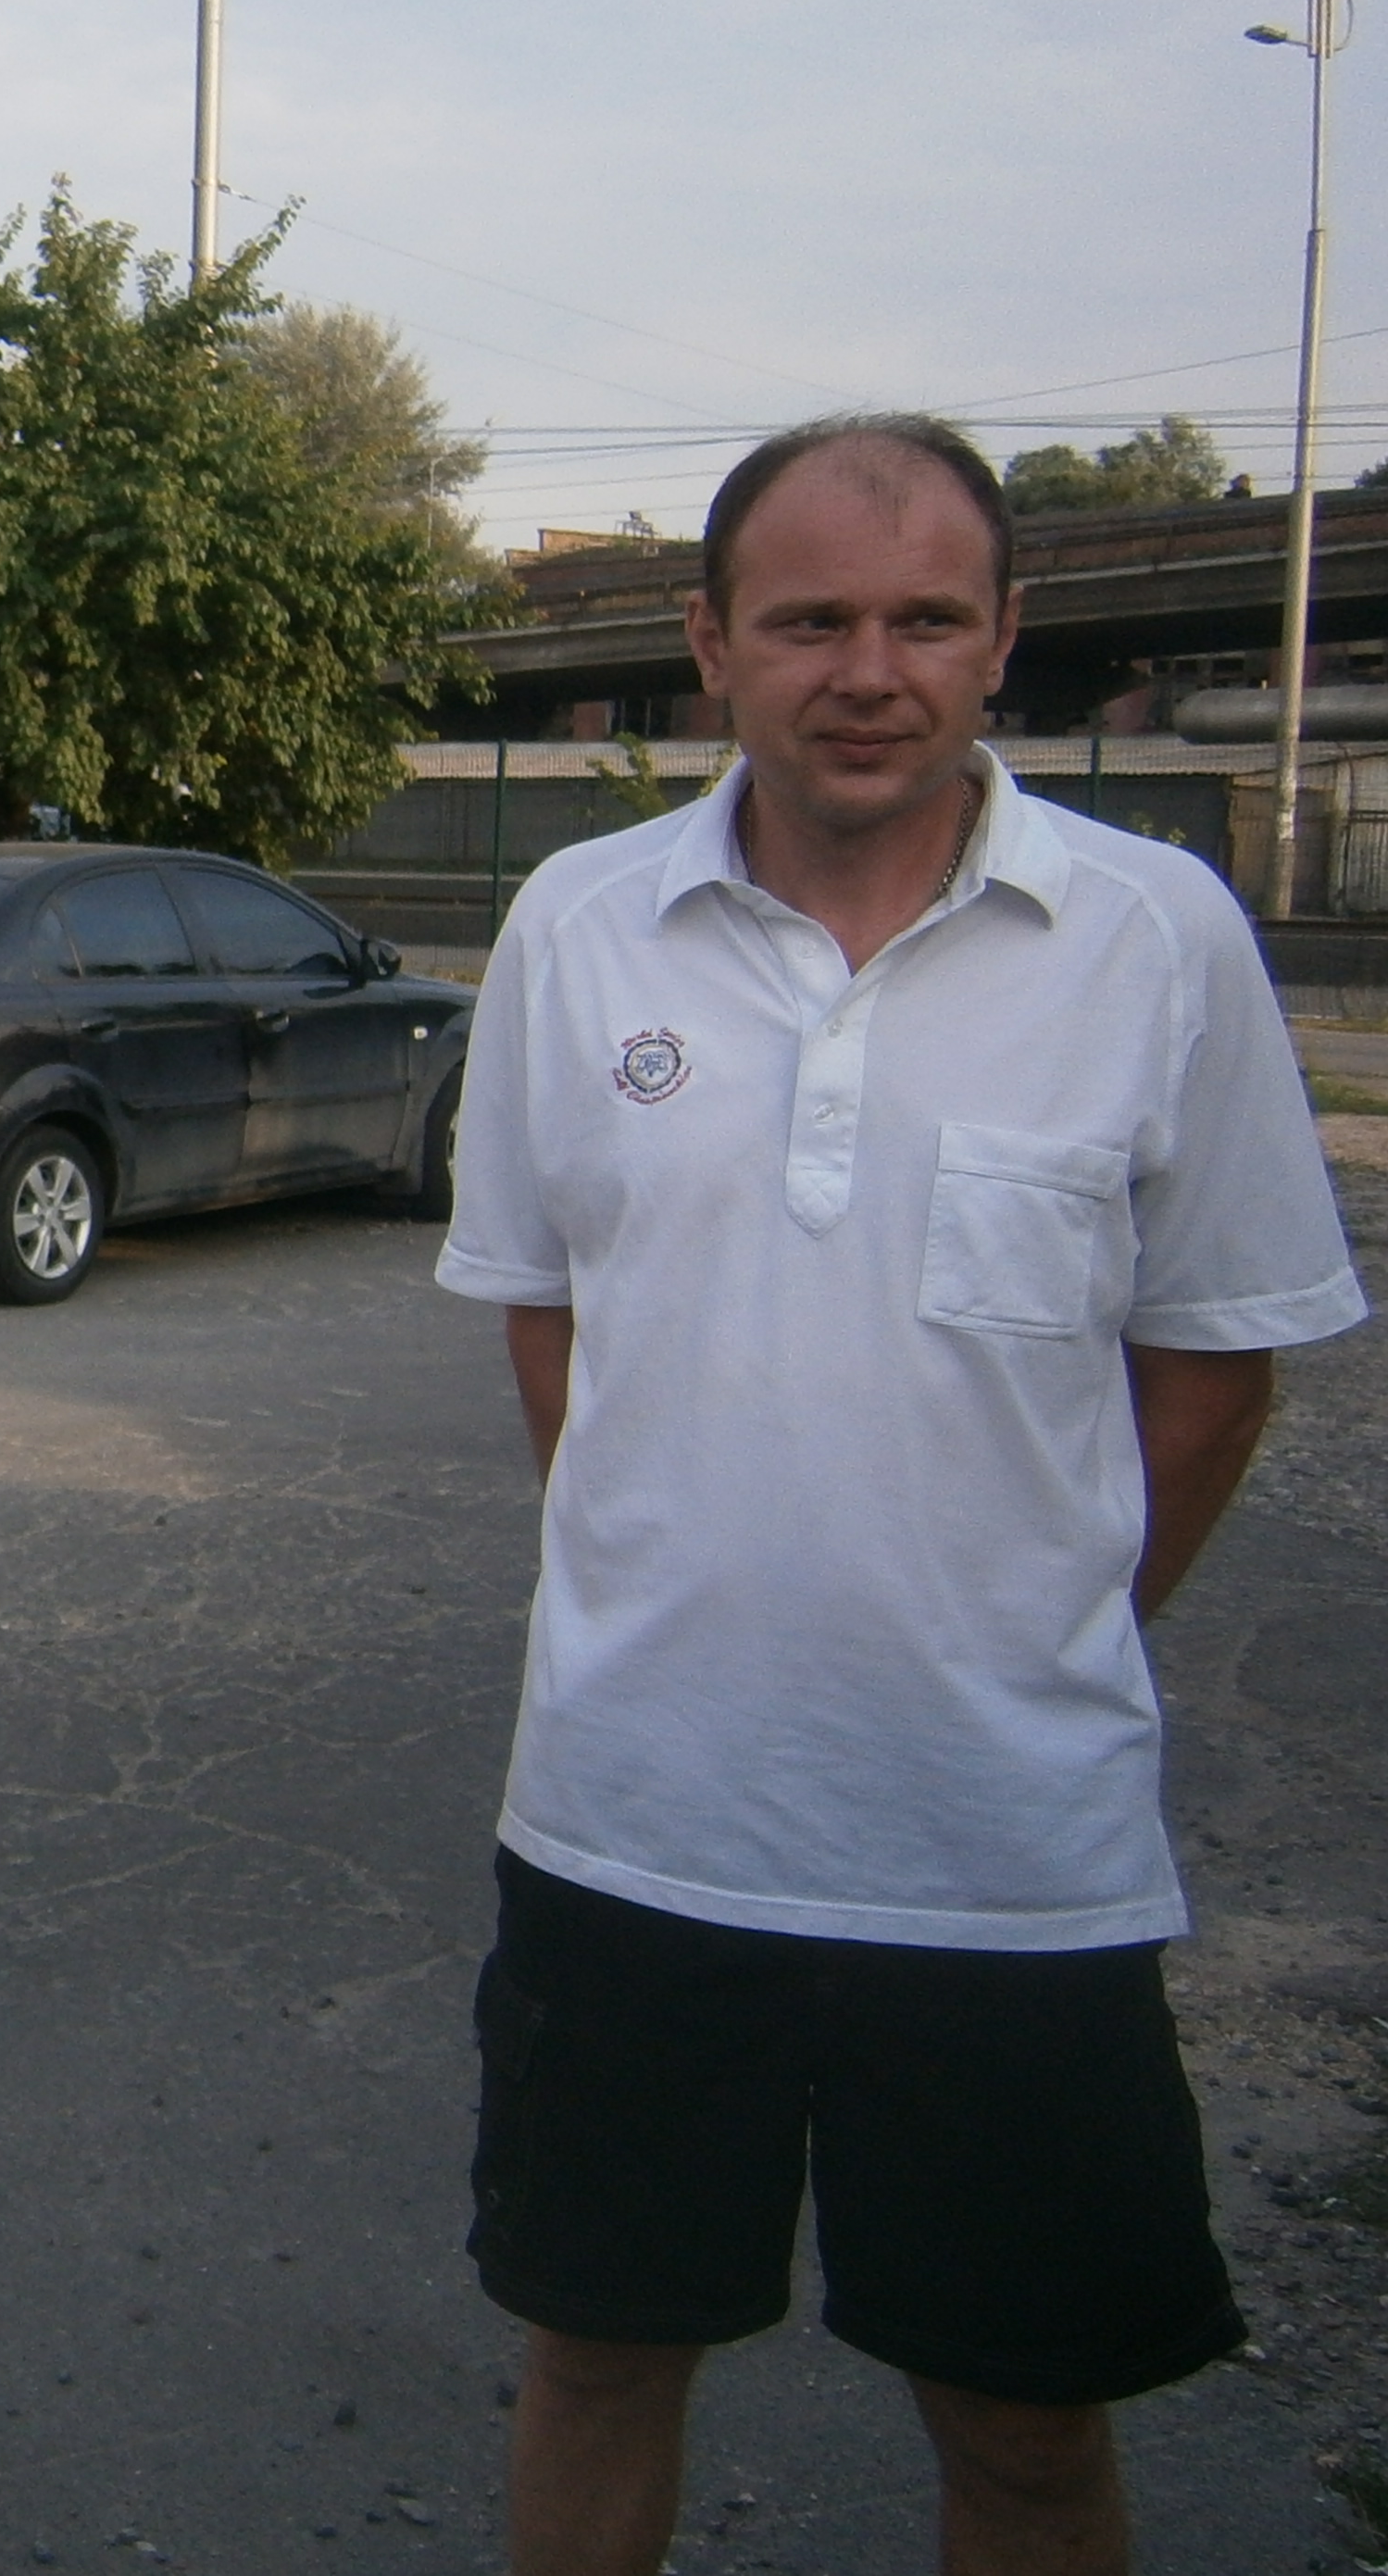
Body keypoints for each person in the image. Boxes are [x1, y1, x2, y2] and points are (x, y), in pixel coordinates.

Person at [437, 415, 1366, 2576]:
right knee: (593, 2366)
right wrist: (678, 1573)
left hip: (1006, 1863)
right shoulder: (576, 928)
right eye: (808, 622)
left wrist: (1024, 1628)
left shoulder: (1151, 937)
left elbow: (1210, 1373)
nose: (866, 672)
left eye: (923, 619)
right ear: (707, 645)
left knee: (1026, 2432)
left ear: (1000, 639)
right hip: (632, 1830)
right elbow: (551, 1323)